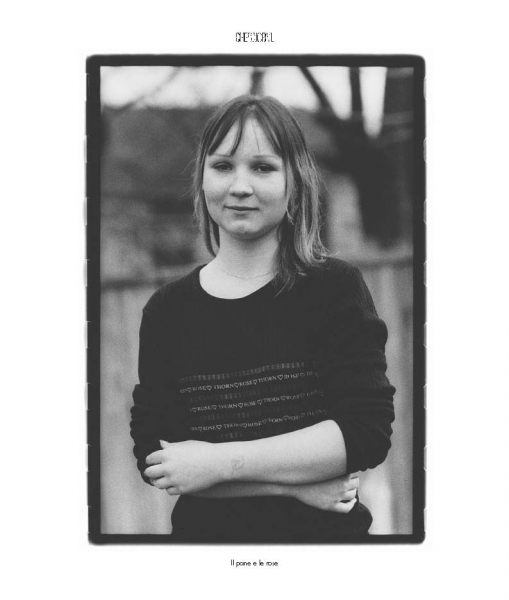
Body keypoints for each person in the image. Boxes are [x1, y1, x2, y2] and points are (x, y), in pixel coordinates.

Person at [130, 95, 395, 542]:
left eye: (262, 167)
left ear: (295, 180)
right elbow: (157, 459)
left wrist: (216, 463)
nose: (240, 186)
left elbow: (364, 433)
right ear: (202, 179)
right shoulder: (167, 312)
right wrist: (293, 486)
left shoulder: (333, 289)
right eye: (222, 166)